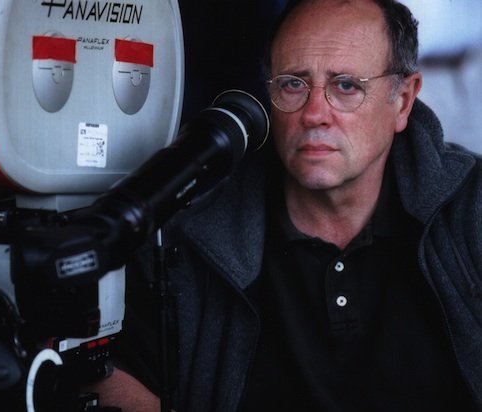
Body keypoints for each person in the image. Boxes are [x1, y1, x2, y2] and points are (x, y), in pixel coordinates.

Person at [84, 0, 482, 410]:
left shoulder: (472, 211)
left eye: (346, 86)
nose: (314, 114)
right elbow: (107, 374)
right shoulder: (186, 243)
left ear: (403, 100)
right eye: (293, 84)